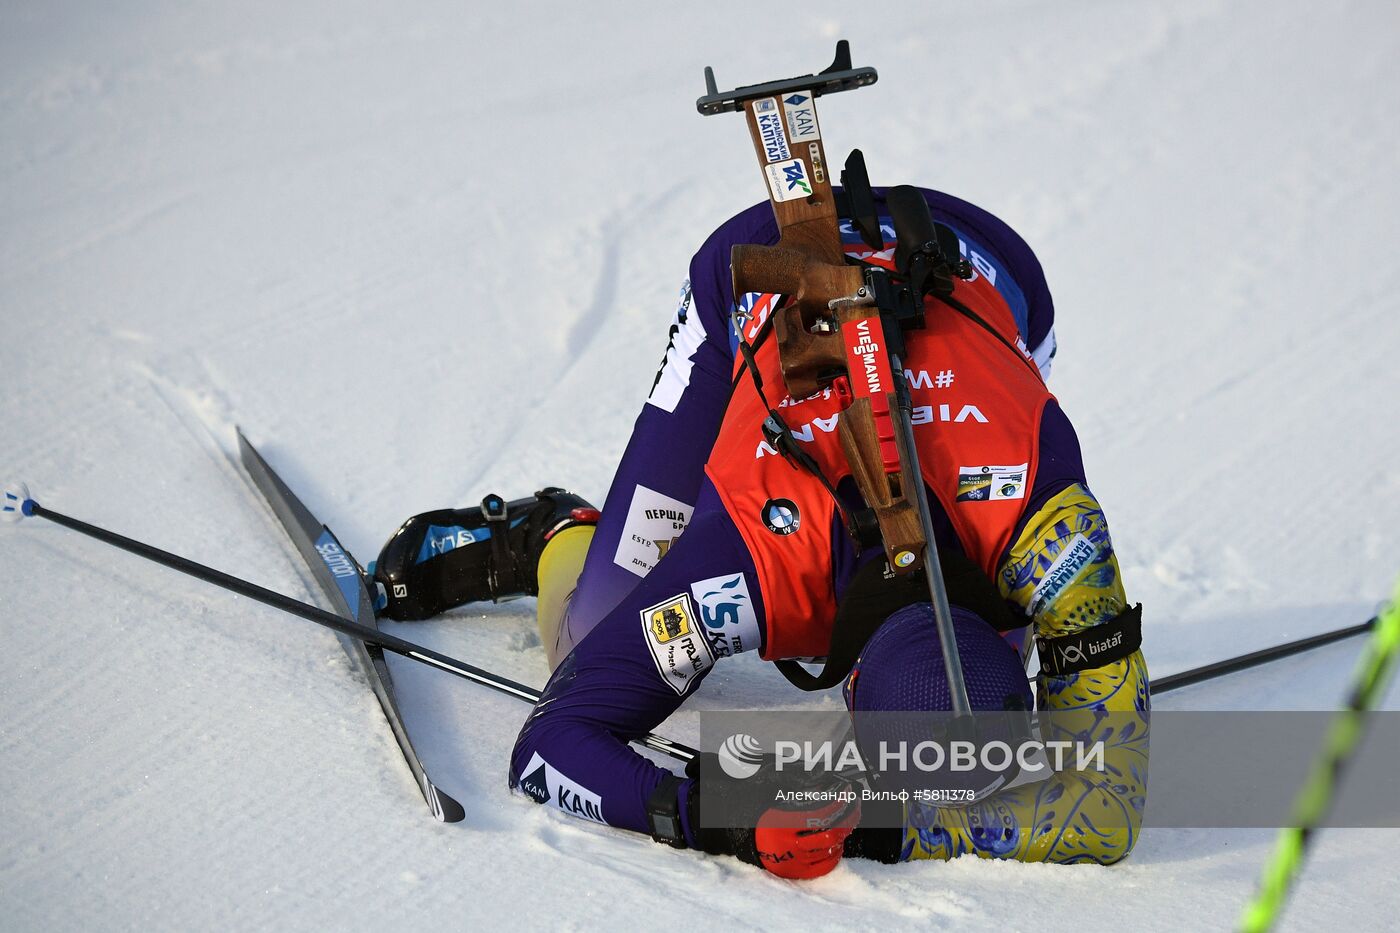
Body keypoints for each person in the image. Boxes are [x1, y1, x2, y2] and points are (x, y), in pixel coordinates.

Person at [370, 187, 1149, 877]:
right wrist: (720, 817)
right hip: (752, 275)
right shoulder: (751, 563)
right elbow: (547, 745)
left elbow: (1108, 816)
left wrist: (878, 825)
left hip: (989, 264)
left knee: (964, 733)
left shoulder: (1052, 539)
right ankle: (554, 533)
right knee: (590, 635)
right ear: (849, 691)